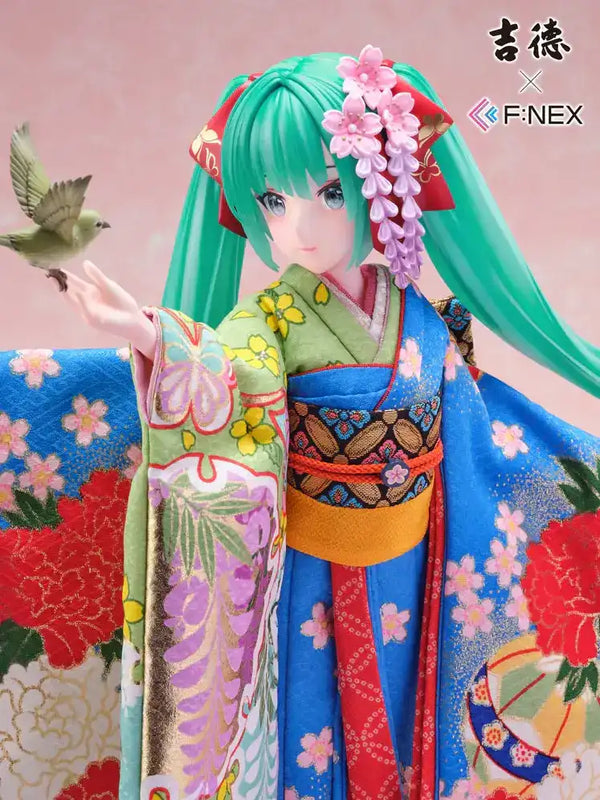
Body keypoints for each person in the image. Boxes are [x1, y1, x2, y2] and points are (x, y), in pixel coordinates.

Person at [61, 47, 600, 800]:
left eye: (328, 192)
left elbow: (480, 431)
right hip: (310, 574)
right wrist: (152, 335)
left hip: (419, 569)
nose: (301, 227)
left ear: (378, 183)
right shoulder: (270, 321)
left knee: (412, 719)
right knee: (314, 735)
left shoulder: (419, 317)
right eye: (273, 203)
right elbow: (227, 375)